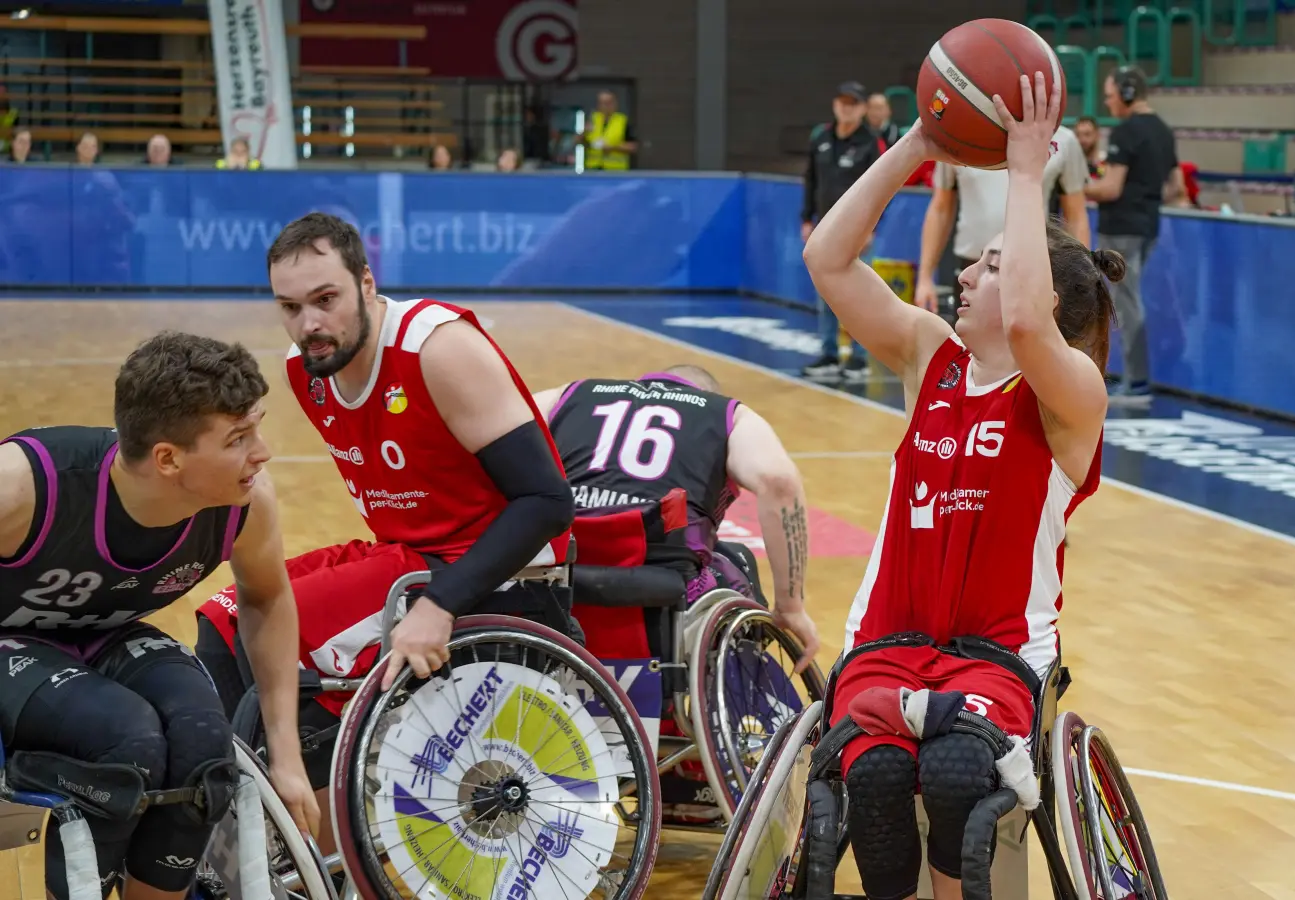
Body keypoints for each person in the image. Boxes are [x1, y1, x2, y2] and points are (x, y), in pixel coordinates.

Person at [803, 72, 1112, 900]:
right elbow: (827, 259)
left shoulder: (1069, 396)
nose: (965, 275)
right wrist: (917, 144)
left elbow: (1024, 325)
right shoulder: (929, 359)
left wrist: (1021, 171)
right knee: (868, 786)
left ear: (1040, 294)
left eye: (991, 262)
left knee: (953, 777)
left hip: (996, 659)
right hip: (889, 644)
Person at [193, 211, 575, 850]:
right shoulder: (304, 370)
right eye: (290, 307)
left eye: (326, 299)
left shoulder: (437, 348)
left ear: (367, 285)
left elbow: (547, 503)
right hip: (407, 556)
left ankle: (313, 848)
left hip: (499, 568)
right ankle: (250, 834)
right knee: (226, 617)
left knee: (285, 645)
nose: (309, 324)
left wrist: (441, 602)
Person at [0, 332, 316, 900]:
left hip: (107, 634)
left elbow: (266, 600)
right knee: (128, 742)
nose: (263, 452)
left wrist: (287, 758)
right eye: (239, 438)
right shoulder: (24, 486)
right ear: (168, 458)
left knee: (203, 746)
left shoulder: (246, 505)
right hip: (8, 641)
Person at [531, 364, 820, 667]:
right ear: (706, 395)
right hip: (664, 578)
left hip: (559, 569)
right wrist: (791, 607)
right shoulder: (729, 415)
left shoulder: (569, 394)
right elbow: (779, 482)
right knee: (737, 561)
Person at [912, 116, 1091, 319]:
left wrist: (1082, 281)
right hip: (971, 269)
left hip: (1033, 271)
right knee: (969, 350)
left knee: (1029, 350)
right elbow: (940, 208)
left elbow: (1076, 215)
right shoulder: (958, 134)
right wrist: (925, 277)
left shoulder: (1063, 139)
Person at [1083, 65, 1185, 406]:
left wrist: (1075, 188)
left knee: (1126, 302)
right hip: (1147, 227)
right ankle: (1133, 379)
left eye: (1110, 96)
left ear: (1127, 93)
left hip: (1122, 228)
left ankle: (1137, 382)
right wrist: (1146, 198)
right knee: (1129, 299)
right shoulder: (1164, 131)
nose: (1108, 103)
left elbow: (1110, 189)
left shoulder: (1126, 132)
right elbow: (1176, 188)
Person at [801, 81, 885, 381]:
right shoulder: (821, 137)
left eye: (853, 103)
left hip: (856, 232)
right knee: (824, 294)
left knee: (858, 294)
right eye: (842, 101)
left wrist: (870, 228)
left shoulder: (870, 143)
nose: (846, 107)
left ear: (863, 108)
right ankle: (829, 353)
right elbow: (811, 179)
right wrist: (806, 219)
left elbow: (881, 187)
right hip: (823, 228)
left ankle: (859, 358)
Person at [585, 89, 639, 171]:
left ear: (614, 104)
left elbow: (633, 147)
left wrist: (612, 147)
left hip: (615, 171)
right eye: (601, 103)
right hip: (593, 169)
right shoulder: (592, 119)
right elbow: (578, 141)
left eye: (607, 103)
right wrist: (584, 132)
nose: (604, 106)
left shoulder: (623, 121)